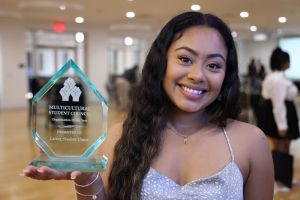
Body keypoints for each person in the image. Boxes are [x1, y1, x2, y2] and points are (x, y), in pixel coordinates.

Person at [20, 12, 274, 199]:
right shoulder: (120, 136)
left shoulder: (251, 142)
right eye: (185, 59)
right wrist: (85, 176)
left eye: (214, 65)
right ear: (161, 63)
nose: (198, 75)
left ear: (226, 75)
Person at [258, 48, 299, 192]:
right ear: (282, 62)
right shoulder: (277, 79)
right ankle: (276, 182)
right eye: (288, 60)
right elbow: (278, 104)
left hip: (283, 114)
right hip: (278, 116)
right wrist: (282, 125)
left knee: (284, 147)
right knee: (279, 148)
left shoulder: (279, 76)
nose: (290, 63)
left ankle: (284, 176)